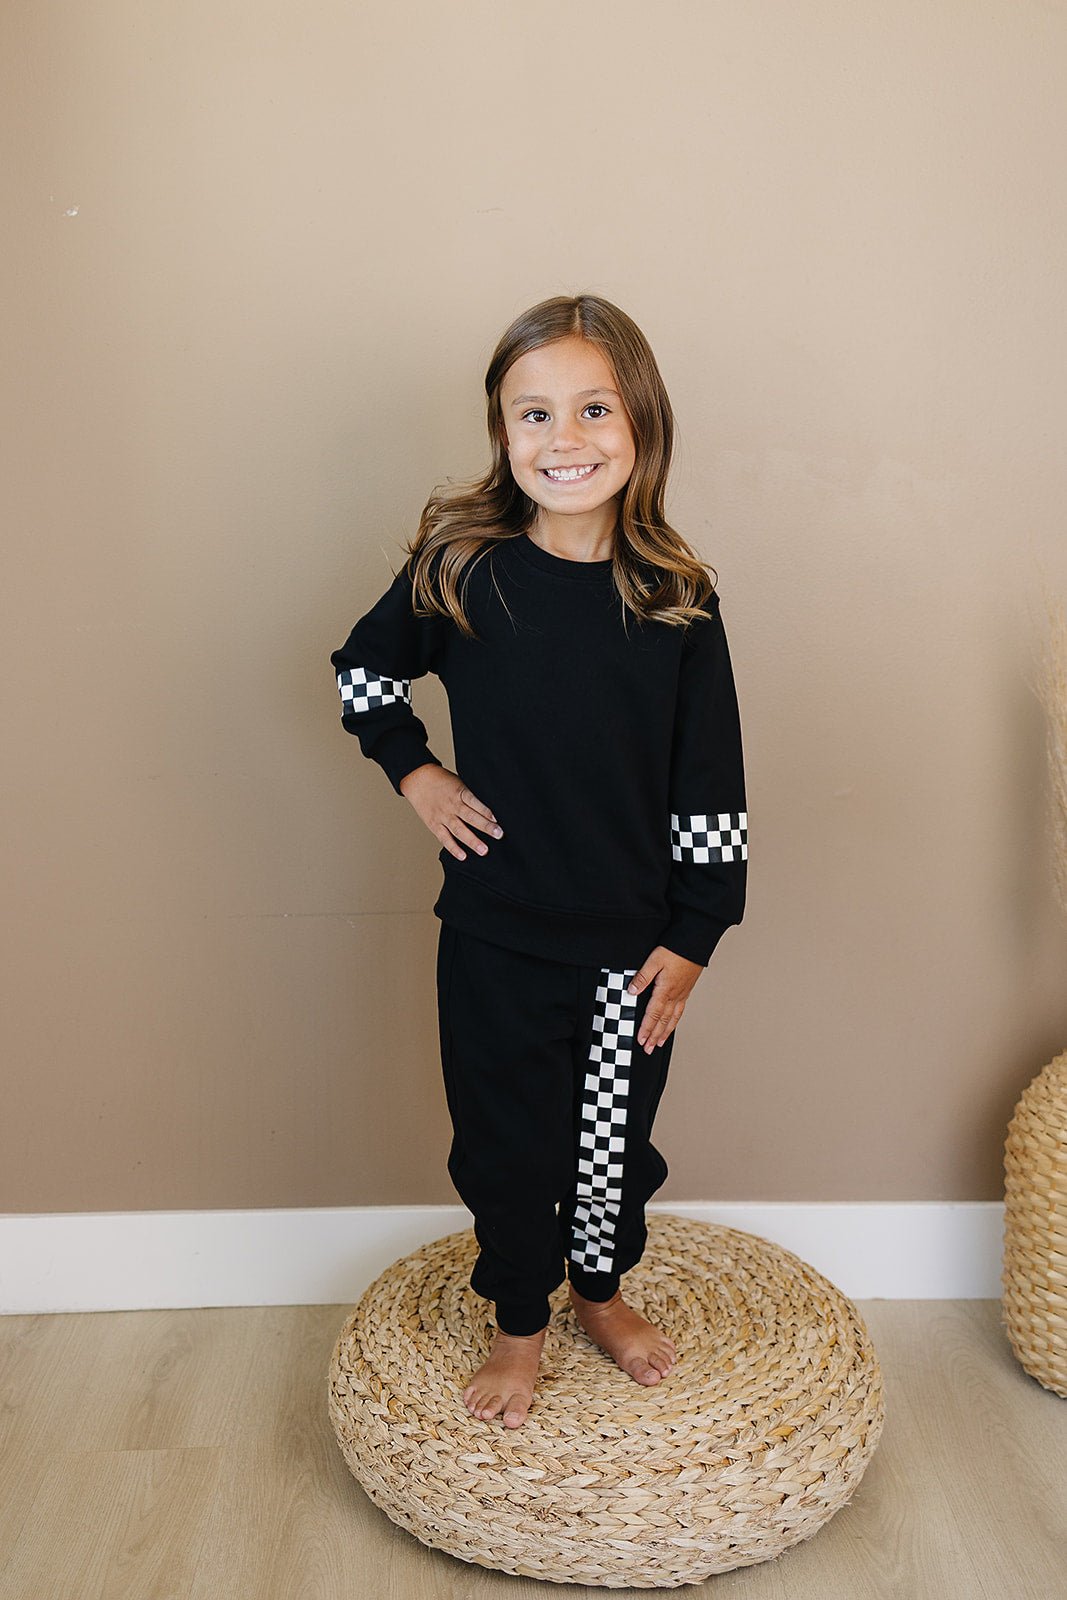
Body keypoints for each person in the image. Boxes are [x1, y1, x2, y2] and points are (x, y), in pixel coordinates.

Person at [329, 293, 748, 1430]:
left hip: (631, 954)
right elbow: (362, 672)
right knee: (507, 1149)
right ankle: (520, 1319)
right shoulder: (463, 569)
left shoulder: (675, 599)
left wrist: (696, 934)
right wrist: (416, 771)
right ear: (502, 433)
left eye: (593, 409)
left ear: (642, 421)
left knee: (609, 1151)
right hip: (495, 941)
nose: (564, 438)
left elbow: (710, 785)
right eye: (534, 414)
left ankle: (599, 1294)